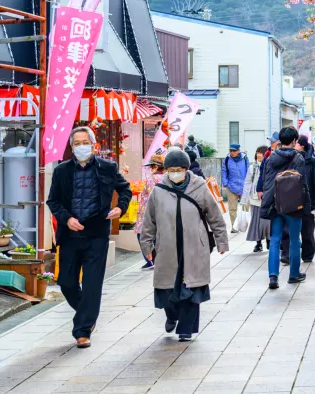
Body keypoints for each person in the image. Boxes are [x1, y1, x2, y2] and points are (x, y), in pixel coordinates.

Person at [47, 126, 132, 348]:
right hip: (70, 234)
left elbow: (125, 190)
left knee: (93, 283)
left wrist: (120, 208)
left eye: (85, 142)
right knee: (66, 282)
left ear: (93, 145)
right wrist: (66, 219)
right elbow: (53, 201)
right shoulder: (61, 171)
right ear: (71, 147)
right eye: (77, 143)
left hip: (97, 233)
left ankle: (82, 330)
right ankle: (88, 313)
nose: (81, 146)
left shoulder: (108, 167)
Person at [140, 150, 229, 341]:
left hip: (195, 247)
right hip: (167, 248)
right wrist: (147, 245)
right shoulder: (159, 190)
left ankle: (186, 329)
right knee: (167, 289)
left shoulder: (200, 188)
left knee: (192, 288)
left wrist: (222, 241)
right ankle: (172, 316)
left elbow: (214, 216)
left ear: (186, 169)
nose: (175, 173)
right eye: (171, 170)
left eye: (179, 169)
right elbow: (149, 221)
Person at [260, 127, 311, 287]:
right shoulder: (298, 159)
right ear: (295, 141)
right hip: (293, 204)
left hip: (275, 203)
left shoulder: (271, 158)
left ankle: (273, 276)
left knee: (275, 239)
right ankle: (294, 274)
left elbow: (266, 180)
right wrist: (308, 204)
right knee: (295, 239)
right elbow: (303, 184)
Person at [280, 134, 315, 263]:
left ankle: (307, 255)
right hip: (290, 199)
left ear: (302, 146)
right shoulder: (289, 159)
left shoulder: (313, 162)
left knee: (307, 229)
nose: (294, 145)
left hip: (308, 200)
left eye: (297, 143)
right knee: (287, 229)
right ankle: (287, 255)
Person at [136, 154, 165, 270]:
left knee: (142, 235)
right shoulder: (167, 178)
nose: (150, 169)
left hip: (148, 211)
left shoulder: (153, 179)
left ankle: (150, 259)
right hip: (161, 212)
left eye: (151, 166)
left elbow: (152, 196)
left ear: (156, 167)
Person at [241, 146, 270, 252]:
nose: (259, 155)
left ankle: (269, 241)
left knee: (267, 222)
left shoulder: (269, 165)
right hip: (254, 198)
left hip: (266, 198)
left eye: (261, 153)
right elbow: (247, 183)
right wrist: (244, 199)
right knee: (256, 221)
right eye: (257, 153)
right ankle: (258, 243)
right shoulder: (252, 167)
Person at [220, 143, 249, 234]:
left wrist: (249, 184)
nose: (232, 152)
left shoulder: (244, 158)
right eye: (230, 150)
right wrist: (225, 184)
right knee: (232, 208)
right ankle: (234, 226)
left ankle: (245, 225)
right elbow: (224, 171)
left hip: (244, 187)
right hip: (231, 187)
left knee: (245, 207)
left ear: (239, 150)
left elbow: (248, 170)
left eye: (234, 151)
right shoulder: (227, 159)